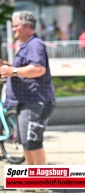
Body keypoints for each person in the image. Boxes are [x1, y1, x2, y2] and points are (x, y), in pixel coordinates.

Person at [0, 11, 55, 169]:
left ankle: (40, 182)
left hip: (36, 101)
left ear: (26, 26)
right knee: (26, 141)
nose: (13, 29)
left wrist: (13, 71)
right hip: (28, 101)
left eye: (16, 26)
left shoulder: (35, 44)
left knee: (32, 141)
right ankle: (33, 180)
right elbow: (27, 68)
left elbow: (38, 69)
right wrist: (10, 68)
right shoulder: (28, 45)